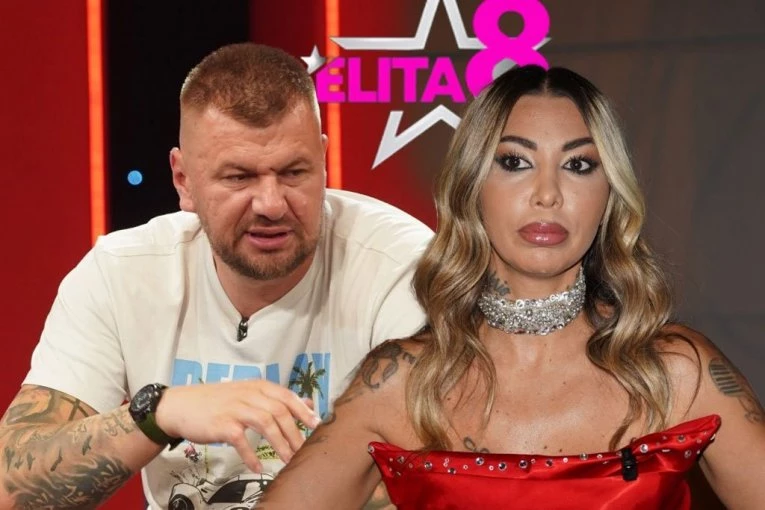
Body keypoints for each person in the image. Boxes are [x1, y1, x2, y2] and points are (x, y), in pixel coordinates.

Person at [255, 65, 765, 509]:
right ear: (472, 185)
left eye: (578, 165)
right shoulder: (400, 383)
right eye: (515, 162)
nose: (547, 194)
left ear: (609, 194)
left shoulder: (678, 372)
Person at [0, 43, 433, 509]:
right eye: (238, 178)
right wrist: (159, 413)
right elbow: (10, 487)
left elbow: (433, 476)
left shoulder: (403, 268)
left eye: (294, 172)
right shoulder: (122, 272)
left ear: (323, 161)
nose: (271, 204)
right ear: (183, 180)